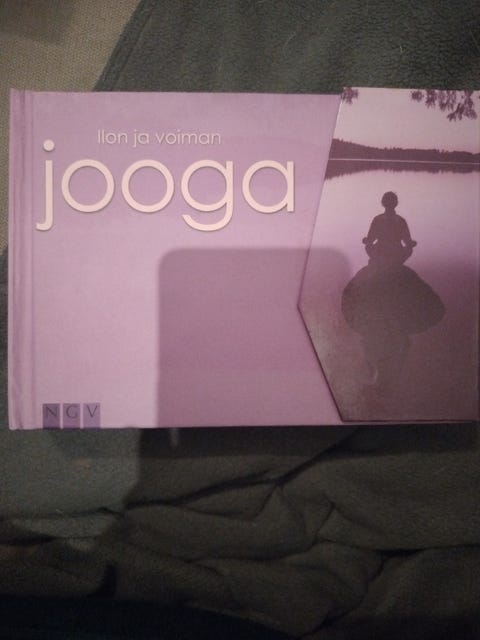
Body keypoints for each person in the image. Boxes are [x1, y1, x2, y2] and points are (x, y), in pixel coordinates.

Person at [363, 191, 417, 266]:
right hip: (397, 252)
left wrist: (366, 241)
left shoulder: (377, 219)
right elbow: (407, 241)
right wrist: (412, 243)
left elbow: (370, 239)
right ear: (396, 203)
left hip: (380, 252)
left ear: (382, 203)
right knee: (409, 249)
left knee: (368, 246)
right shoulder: (401, 220)